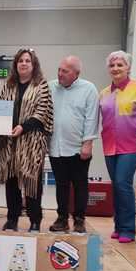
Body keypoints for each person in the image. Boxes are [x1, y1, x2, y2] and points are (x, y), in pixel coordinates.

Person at [0, 48, 53, 233]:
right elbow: (1, 108)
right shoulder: (9, 85)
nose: (23, 63)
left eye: (27, 61)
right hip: (10, 142)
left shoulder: (41, 85)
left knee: (31, 181)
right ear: (16, 64)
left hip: (32, 141)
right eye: (20, 61)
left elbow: (42, 111)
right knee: (11, 180)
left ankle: (35, 221)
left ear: (33, 64)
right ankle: (12, 219)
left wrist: (23, 127)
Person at [99, 51, 136, 243]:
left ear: (128, 67)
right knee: (117, 186)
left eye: (120, 65)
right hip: (110, 146)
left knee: (122, 182)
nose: (116, 68)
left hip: (132, 145)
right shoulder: (104, 93)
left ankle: (128, 229)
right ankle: (119, 225)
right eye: (112, 66)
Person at [48, 55, 99, 234]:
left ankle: (79, 219)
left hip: (78, 147)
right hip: (56, 146)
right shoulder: (51, 86)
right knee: (61, 184)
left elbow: (92, 117)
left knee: (80, 184)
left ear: (76, 74)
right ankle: (62, 218)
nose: (60, 74)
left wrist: (88, 143)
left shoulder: (89, 89)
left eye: (65, 71)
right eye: (59, 69)